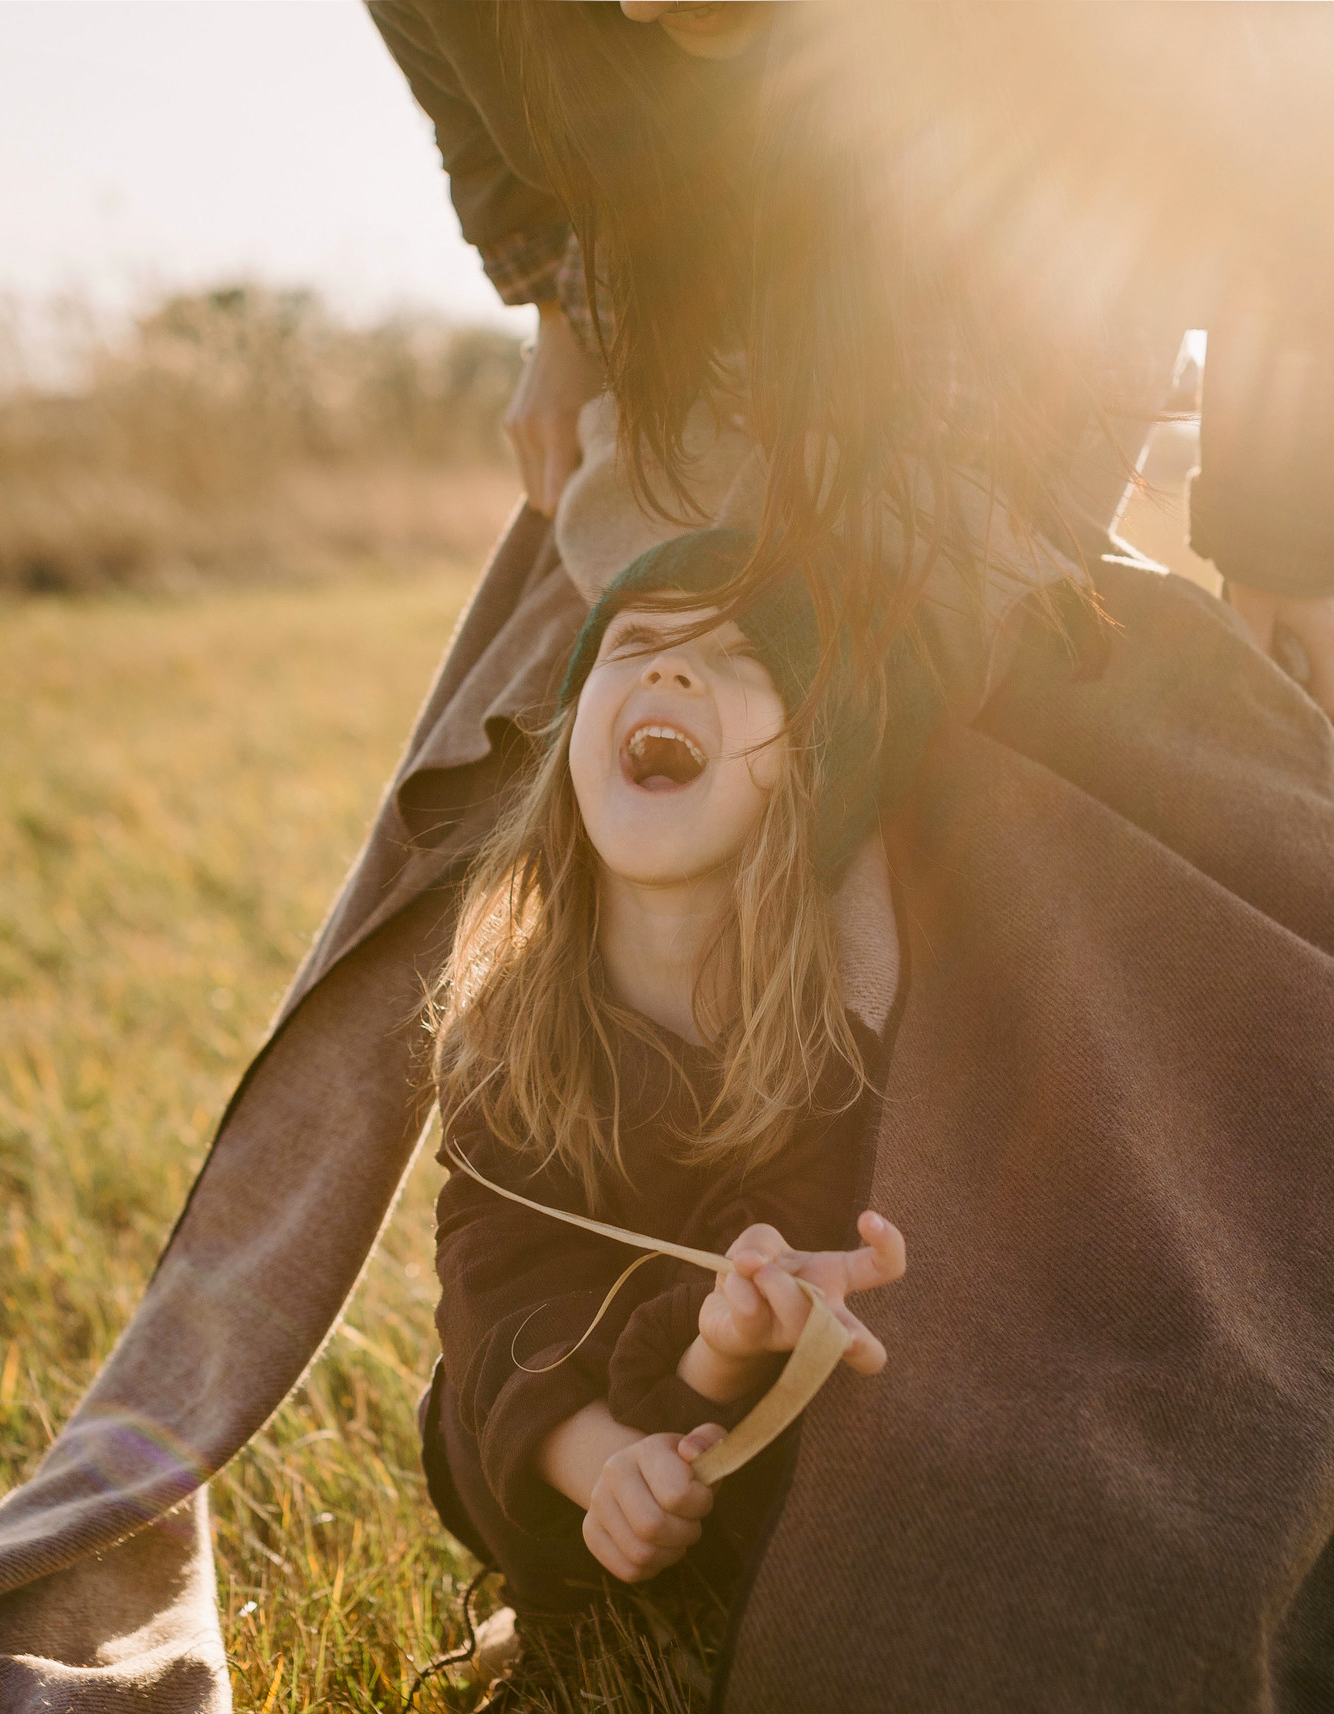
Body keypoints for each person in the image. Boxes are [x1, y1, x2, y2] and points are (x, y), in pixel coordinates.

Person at [0, 8, 1334, 1711]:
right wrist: (560, 304)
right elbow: (475, 79)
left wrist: (1288, 534)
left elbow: (1306, 84)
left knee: (990, 862)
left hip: (1008, 352)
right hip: (696, 345)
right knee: (640, 890)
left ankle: (1011, 1500)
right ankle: (642, 1454)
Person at [420, 529, 911, 1626]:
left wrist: (728, 1338)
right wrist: (599, 1464)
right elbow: (494, 1275)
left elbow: (772, 1277)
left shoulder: (826, 1039)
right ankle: (575, 1578)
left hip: (743, 1428)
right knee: (455, 1416)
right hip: (555, 1446)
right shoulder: (509, 1028)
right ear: (572, 743)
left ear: (796, 763)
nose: (671, 668)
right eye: (634, 642)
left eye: (740, 658)